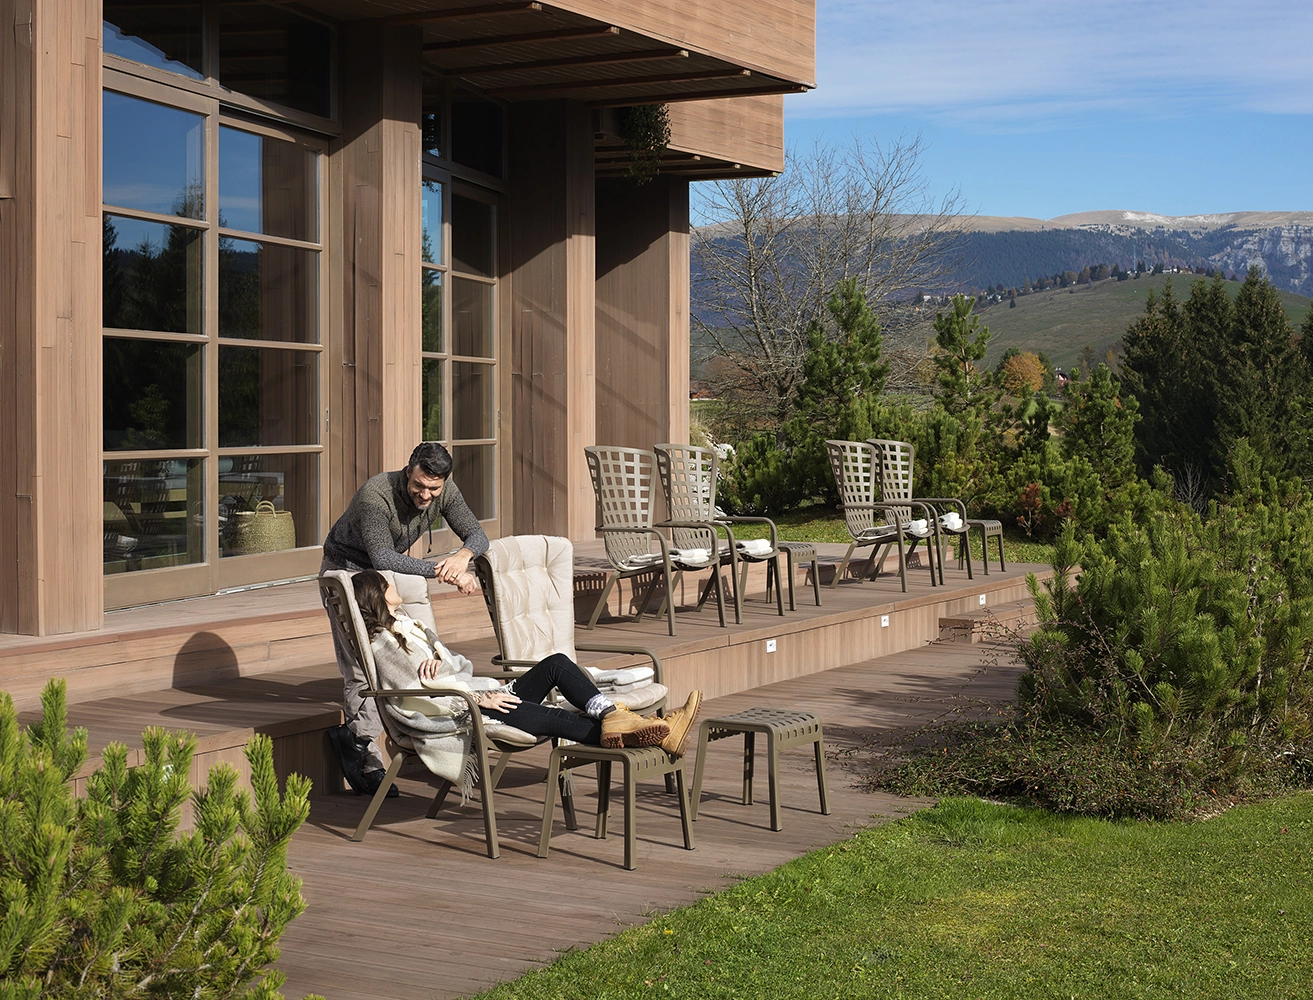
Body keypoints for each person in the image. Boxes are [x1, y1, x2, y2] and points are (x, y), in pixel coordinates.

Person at [350, 570, 702, 797]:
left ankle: (614, 716)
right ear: (377, 595)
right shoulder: (383, 643)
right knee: (559, 718)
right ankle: (656, 731)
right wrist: (478, 700)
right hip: (464, 712)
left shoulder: (411, 626)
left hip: (482, 695)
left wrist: (441, 659)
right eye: (387, 585)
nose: (394, 587)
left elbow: (456, 664)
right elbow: (411, 693)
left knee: (556, 664)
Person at [320, 442, 489, 796]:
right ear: (408, 470)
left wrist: (462, 556)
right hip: (348, 575)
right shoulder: (376, 496)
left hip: (384, 577)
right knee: (363, 669)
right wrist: (446, 572)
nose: (425, 495)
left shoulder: (445, 491)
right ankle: (364, 757)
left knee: (419, 655)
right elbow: (382, 555)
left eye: (433, 489)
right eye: (419, 486)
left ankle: (439, 742)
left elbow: (478, 534)